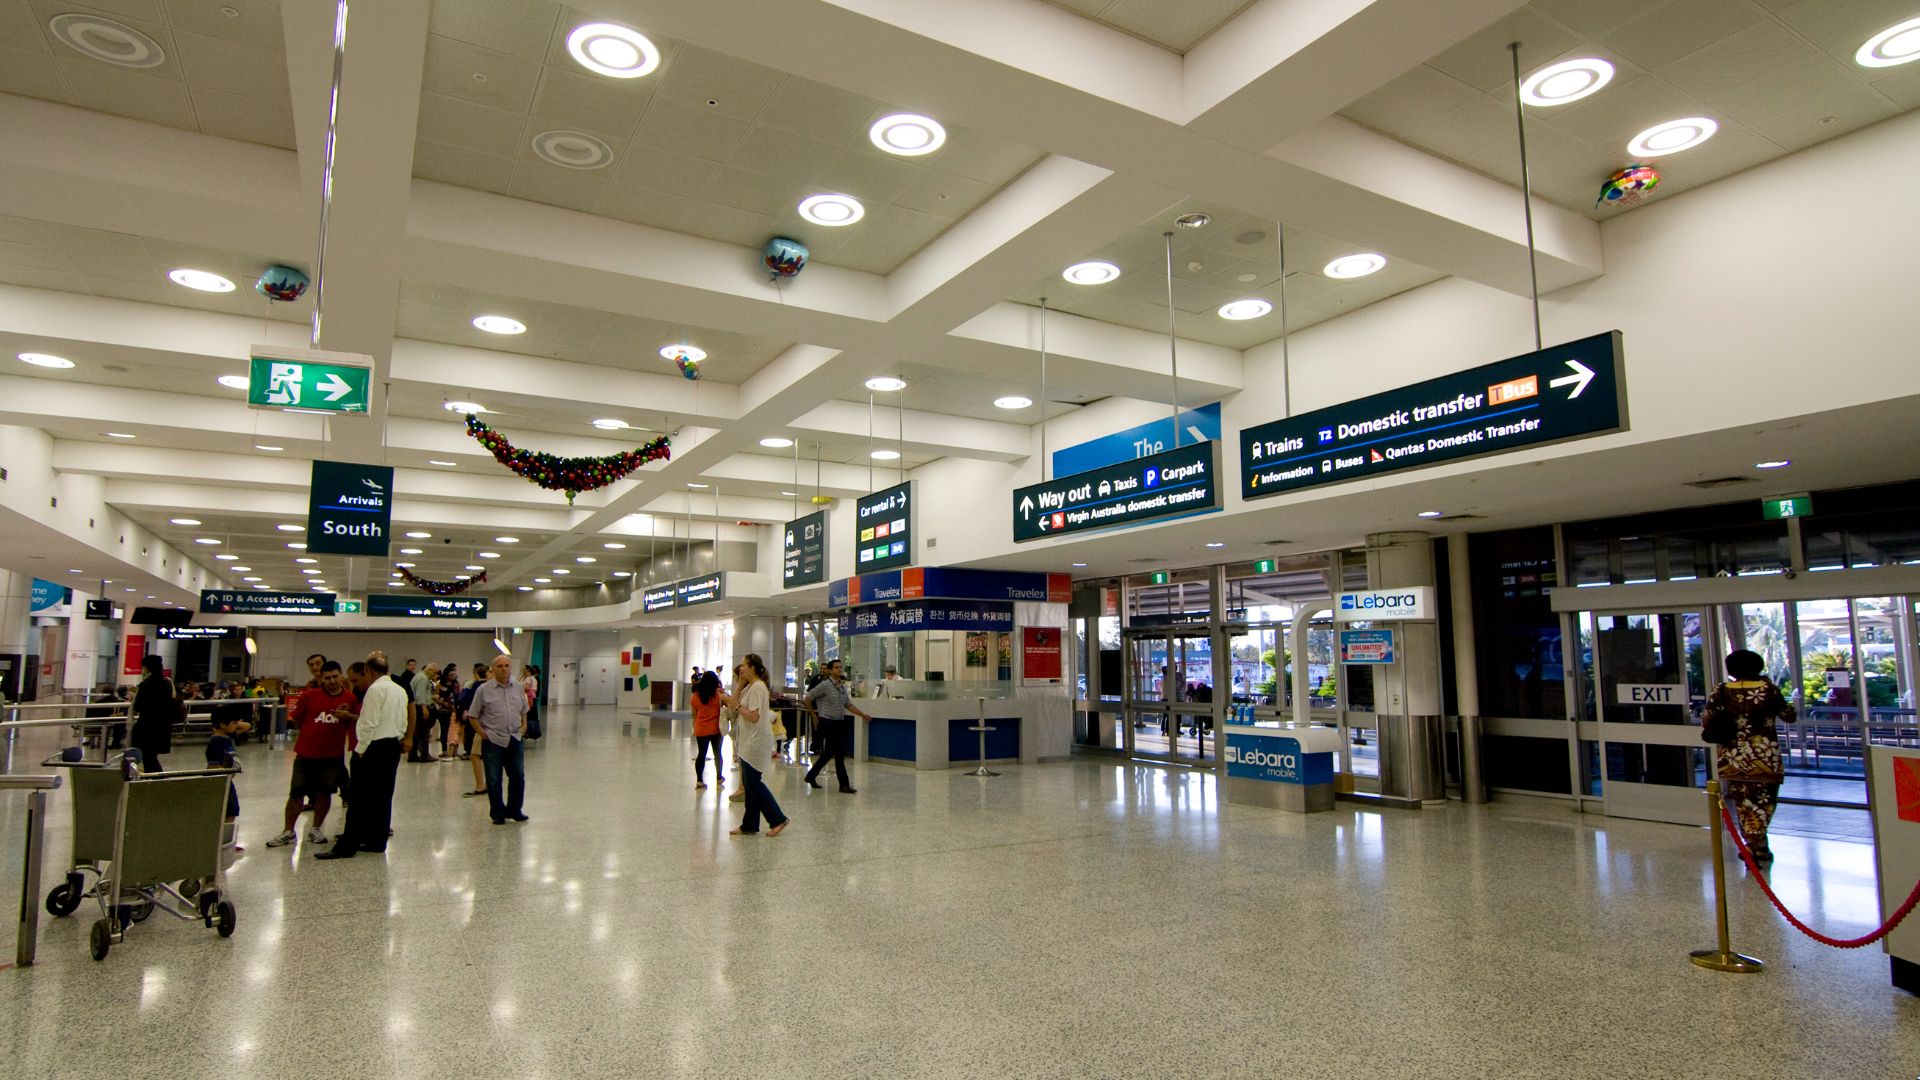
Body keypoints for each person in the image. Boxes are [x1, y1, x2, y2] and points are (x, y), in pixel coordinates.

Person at [1703, 649, 1798, 868]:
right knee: (1764, 802)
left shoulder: (1722, 690)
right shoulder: (1768, 690)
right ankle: (1755, 844)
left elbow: (1708, 719)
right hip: (1765, 756)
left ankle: (1755, 845)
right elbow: (1788, 716)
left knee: (1743, 802)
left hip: (1733, 756)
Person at [316, 653, 408, 860]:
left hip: (373, 747)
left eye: (359, 677)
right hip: (392, 744)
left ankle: (347, 846)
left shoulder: (376, 689)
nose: (357, 683)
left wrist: (360, 749)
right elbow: (403, 720)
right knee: (383, 796)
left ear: (369, 671)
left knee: (358, 798)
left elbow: (369, 723)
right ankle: (377, 840)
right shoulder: (399, 689)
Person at [268, 661, 355, 848]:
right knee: (296, 792)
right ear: (321, 679)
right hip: (306, 754)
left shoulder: (350, 699)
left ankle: (316, 828)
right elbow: (297, 719)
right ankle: (288, 831)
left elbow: (354, 723)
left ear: (341, 676)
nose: (332, 681)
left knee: (325, 792)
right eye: (327, 678)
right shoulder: (309, 696)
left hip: (332, 756)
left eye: (335, 676)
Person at [729, 653, 788, 837]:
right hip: (748, 740)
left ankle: (778, 818)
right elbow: (732, 703)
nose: (741, 668)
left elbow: (753, 716)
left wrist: (739, 708)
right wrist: (739, 685)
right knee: (749, 782)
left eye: (743, 665)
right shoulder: (749, 687)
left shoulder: (758, 688)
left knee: (753, 782)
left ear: (753, 667)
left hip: (756, 741)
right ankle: (749, 824)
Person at [468, 654, 529, 825]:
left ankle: (515, 809)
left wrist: (523, 726)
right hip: (493, 739)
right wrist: (482, 733)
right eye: (500, 666)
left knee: (517, 775)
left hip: (515, 737)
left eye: (507, 665)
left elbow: (524, 709)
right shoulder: (483, 690)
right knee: (494, 778)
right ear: (493, 669)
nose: (504, 669)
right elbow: (472, 715)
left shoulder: (518, 687)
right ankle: (498, 812)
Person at [803, 658, 865, 794]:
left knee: (829, 753)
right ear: (830, 670)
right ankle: (844, 784)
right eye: (836, 667)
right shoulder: (824, 685)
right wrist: (814, 716)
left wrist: (862, 715)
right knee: (838, 753)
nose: (839, 669)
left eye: (840, 667)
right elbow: (807, 698)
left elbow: (848, 705)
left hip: (839, 722)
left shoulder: (842, 688)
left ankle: (811, 776)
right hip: (828, 722)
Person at [205, 709, 249, 851]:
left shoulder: (227, 737)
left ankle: (225, 841)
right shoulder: (217, 741)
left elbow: (247, 726)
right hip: (221, 782)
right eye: (234, 723)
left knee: (232, 811)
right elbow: (213, 765)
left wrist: (235, 722)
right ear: (223, 725)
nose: (237, 725)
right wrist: (224, 775)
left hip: (229, 781)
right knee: (227, 812)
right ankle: (220, 842)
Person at [129, 654, 177, 773]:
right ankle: (156, 779)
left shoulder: (146, 684)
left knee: (148, 757)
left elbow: (139, 706)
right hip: (162, 726)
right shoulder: (167, 683)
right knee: (151, 756)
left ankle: (157, 781)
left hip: (147, 726)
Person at [455, 662, 489, 797]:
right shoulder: (491, 687)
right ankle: (486, 784)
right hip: (488, 725)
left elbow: (466, 702)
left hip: (479, 725)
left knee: (475, 755)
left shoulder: (475, 687)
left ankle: (481, 785)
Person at [691, 670, 725, 789]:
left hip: (701, 728)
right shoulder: (718, 695)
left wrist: (694, 726)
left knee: (701, 754)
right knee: (717, 754)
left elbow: (694, 715)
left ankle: (699, 780)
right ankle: (719, 777)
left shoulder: (695, 696)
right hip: (716, 729)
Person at [406, 662, 438, 762]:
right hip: (420, 708)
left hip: (416, 707)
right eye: (434, 673)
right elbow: (420, 695)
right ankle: (424, 755)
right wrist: (424, 708)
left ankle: (413, 755)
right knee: (424, 733)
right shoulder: (423, 679)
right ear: (430, 670)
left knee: (416, 733)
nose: (434, 676)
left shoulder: (418, 676)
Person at [521, 664, 542, 740]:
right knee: (532, 715)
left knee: (529, 715)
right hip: (532, 697)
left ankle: (529, 731)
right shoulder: (531, 678)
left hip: (529, 698)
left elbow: (526, 688)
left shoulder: (529, 679)